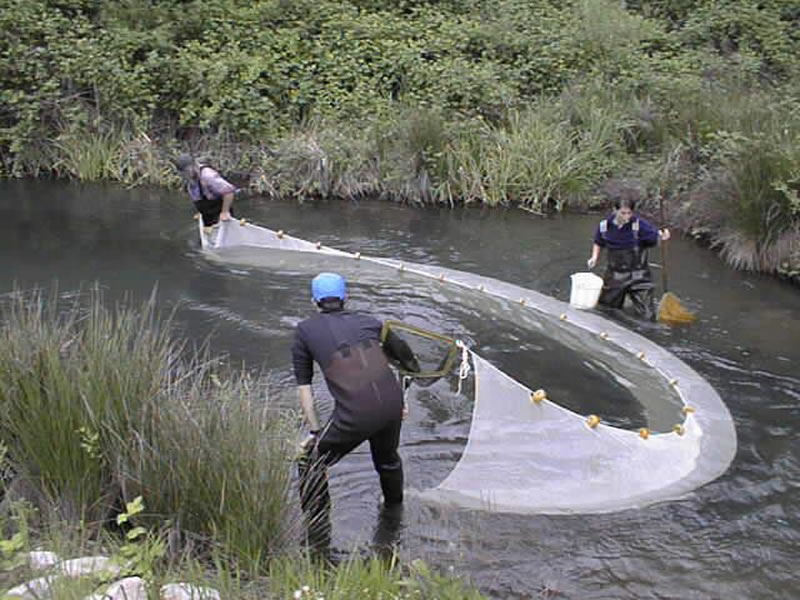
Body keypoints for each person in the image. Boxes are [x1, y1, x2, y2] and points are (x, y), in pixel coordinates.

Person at [292, 272, 419, 552]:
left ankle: (317, 535)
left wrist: (315, 432)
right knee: (387, 461)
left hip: (356, 414)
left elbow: (305, 391)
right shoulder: (371, 322)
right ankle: (394, 521)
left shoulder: (304, 331)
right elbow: (409, 361)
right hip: (391, 405)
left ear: (314, 301)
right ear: (345, 298)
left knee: (310, 463)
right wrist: (402, 400)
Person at [586, 197, 670, 321]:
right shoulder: (604, 226)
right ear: (614, 210)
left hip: (639, 276)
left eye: (629, 213)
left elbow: (655, 236)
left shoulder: (639, 225)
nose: (627, 217)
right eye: (623, 213)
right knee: (606, 310)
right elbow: (598, 242)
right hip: (615, 276)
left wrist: (663, 236)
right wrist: (594, 257)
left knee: (648, 316)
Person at [175, 153, 236, 226]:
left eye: (186, 172)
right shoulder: (190, 178)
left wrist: (225, 212)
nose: (185, 176)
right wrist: (200, 213)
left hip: (220, 215)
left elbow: (229, 192)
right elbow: (198, 197)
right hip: (208, 217)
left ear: (194, 165)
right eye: (182, 174)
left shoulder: (208, 176)